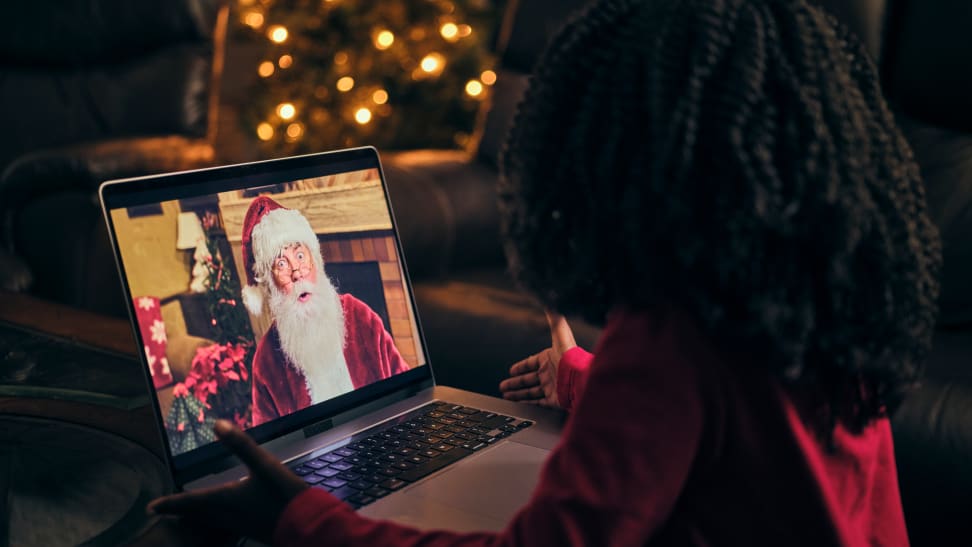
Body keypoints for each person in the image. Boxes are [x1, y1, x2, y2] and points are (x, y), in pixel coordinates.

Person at [147, 0, 941, 544]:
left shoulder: (671, 334)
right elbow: (722, 436)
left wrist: (296, 516)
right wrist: (581, 378)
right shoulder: (814, 292)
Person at [239, 195, 410, 426]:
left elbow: (408, 391)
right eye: (281, 264)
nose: (297, 272)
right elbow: (273, 448)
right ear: (270, 284)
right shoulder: (266, 360)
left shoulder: (358, 314)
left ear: (315, 260)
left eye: (300, 256)